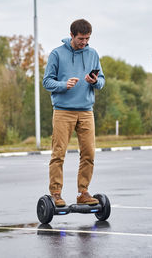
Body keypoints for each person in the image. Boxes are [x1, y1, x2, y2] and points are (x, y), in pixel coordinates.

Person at [42, 19, 105, 207]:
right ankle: (56, 193)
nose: (84, 42)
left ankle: (83, 192)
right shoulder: (57, 54)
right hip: (63, 111)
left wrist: (94, 81)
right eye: (81, 39)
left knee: (88, 153)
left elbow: (101, 81)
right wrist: (63, 84)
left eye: (87, 39)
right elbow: (46, 82)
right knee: (59, 153)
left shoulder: (93, 54)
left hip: (86, 111)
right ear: (71, 35)